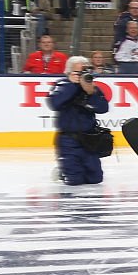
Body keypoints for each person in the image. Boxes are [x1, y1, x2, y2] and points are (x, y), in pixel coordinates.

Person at [47, 55, 110, 186]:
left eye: (85, 71)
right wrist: (72, 85)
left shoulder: (91, 88)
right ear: (69, 72)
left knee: (95, 179)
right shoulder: (62, 85)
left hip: (89, 140)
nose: (83, 75)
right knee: (75, 181)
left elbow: (103, 108)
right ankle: (63, 172)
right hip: (68, 140)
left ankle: (65, 170)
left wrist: (91, 92)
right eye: (79, 72)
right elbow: (54, 103)